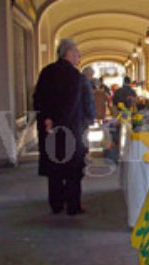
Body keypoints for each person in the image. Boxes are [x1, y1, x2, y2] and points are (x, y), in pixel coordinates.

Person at [33, 39, 95, 215]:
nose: (79, 56)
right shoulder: (77, 78)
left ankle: (56, 204)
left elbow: (38, 98)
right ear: (68, 53)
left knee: (54, 168)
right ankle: (73, 205)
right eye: (76, 53)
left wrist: (47, 119)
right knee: (74, 169)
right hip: (73, 130)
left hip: (50, 130)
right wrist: (89, 122)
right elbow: (87, 105)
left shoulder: (46, 73)